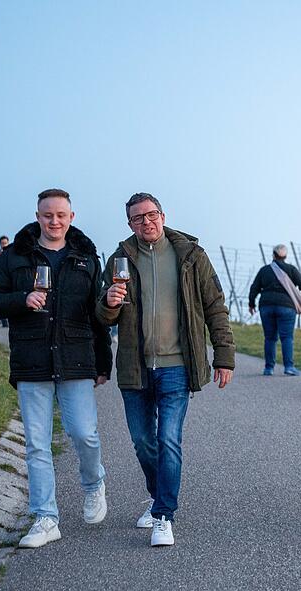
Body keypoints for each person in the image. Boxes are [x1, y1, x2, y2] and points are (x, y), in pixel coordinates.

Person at [97, 192, 235, 547]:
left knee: (168, 439)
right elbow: (102, 314)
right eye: (138, 218)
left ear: (162, 215)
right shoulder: (119, 259)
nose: (147, 222)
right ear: (130, 224)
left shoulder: (191, 255)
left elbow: (215, 306)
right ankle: (159, 496)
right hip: (135, 366)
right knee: (143, 442)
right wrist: (109, 304)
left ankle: (163, 515)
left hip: (176, 365)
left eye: (152, 214)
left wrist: (224, 355)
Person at [0, 188, 112, 548]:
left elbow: (98, 316)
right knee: (37, 444)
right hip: (32, 360)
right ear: (38, 216)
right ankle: (45, 518)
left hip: (76, 359)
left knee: (84, 433)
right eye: (47, 215)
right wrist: (22, 299)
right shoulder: (14, 256)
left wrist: (103, 362)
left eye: (60, 215)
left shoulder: (86, 257)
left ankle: (94, 484)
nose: (54, 221)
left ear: (71, 217)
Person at [248, 244, 301, 376]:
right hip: (286, 307)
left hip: (266, 306)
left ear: (273, 255)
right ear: (285, 256)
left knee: (269, 338)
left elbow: (254, 287)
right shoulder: (291, 269)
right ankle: (289, 367)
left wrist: (251, 304)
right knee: (287, 337)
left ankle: (269, 368)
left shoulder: (264, 270)